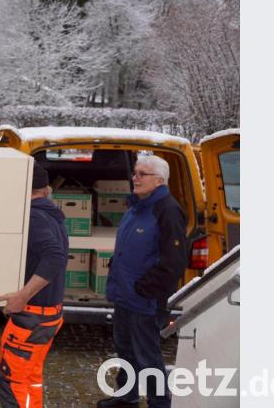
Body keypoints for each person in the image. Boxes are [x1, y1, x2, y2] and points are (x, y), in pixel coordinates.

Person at [97, 155, 187, 408]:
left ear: (159, 180)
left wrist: (147, 288)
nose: (134, 178)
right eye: (135, 173)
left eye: (141, 174)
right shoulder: (136, 206)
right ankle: (127, 396)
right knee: (125, 349)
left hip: (146, 300)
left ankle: (160, 403)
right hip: (125, 295)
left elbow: (175, 260)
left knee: (147, 355)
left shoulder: (167, 211)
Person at [0, 164, 69, 408]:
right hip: (44, 315)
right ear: (47, 190)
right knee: (29, 378)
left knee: (12, 381)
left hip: (33, 317)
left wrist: (23, 295)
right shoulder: (49, 214)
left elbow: (55, 256)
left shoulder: (34, 217)